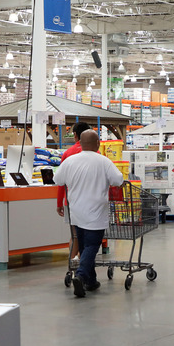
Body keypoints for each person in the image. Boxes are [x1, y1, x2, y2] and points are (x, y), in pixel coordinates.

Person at [54, 129, 124, 298]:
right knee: (92, 246)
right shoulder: (104, 162)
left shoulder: (70, 161)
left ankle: (91, 281)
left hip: (76, 212)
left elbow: (57, 180)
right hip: (96, 212)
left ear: (81, 143)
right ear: (98, 143)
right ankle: (81, 275)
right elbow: (118, 180)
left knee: (85, 246)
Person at [56, 121, 92, 261]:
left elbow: (61, 183)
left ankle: (72, 264)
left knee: (75, 234)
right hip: (91, 201)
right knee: (88, 235)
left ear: (75, 135)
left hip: (71, 200)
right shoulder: (96, 153)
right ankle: (82, 263)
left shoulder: (68, 153)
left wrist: (59, 202)